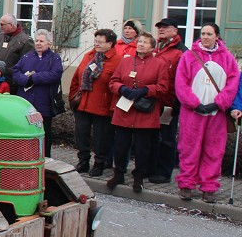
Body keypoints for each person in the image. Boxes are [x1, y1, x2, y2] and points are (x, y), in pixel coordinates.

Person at [174, 23, 240, 203]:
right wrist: (193, 103)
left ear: (217, 36)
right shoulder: (189, 56)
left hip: (216, 114)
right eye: (202, 33)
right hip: (192, 113)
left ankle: (209, 187)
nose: (205, 36)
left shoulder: (227, 58)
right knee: (189, 148)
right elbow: (181, 82)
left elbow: (233, 84)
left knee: (213, 150)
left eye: (209, 34)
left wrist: (218, 104)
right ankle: (187, 184)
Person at [107, 32, 169, 193]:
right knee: (120, 146)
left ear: (152, 46)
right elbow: (113, 81)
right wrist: (122, 88)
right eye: (139, 41)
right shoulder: (126, 61)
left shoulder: (159, 64)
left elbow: (163, 87)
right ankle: (118, 173)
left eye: (145, 42)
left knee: (142, 148)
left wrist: (145, 90)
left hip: (145, 113)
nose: (141, 44)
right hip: (124, 111)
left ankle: (139, 177)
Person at [68, 29, 121, 176]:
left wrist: (112, 107)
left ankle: (99, 164)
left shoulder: (117, 60)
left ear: (110, 43)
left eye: (100, 41)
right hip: (83, 104)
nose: (96, 44)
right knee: (81, 134)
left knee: (100, 138)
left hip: (102, 107)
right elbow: (76, 77)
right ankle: (83, 161)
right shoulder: (89, 55)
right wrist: (73, 97)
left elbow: (117, 84)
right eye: (95, 41)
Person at [11, 30, 64, 156]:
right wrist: (25, 80)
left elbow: (55, 75)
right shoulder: (27, 57)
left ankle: (45, 158)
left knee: (44, 133)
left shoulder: (54, 58)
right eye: (37, 41)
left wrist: (35, 78)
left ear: (49, 43)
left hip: (44, 102)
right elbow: (16, 72)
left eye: (42, 41)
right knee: (25, 132)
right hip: (26, 102)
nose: (38, 44)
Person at [150, 17, 188, 183]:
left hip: (169, 102)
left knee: (167, 138)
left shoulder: (182, 51)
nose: (161, 29)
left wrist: (177, 103)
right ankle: (152, 168)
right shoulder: (156, 47)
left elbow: (183, 79)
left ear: (175, 31)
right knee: (152, 136)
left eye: (165, 27)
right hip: (153, 100)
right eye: (159, 27)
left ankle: (164, 172)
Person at [0, 14, 34, 84]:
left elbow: (27, 64)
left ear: (11, 25)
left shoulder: (25, 41)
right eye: (0, 24)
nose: (0, 27)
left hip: (13, 83)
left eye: (2, 24)